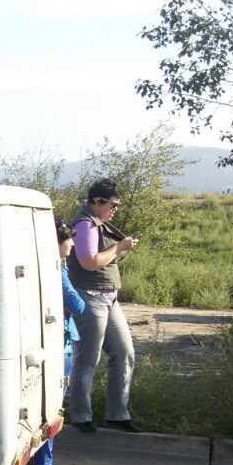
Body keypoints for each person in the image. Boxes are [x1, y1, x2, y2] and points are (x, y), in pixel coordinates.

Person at [67, 178, 142, 434]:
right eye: (113, 204)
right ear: (97, 202)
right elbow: (89, 262)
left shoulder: (98, 223)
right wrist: (119, 247)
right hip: (90, 297)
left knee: (125, 353)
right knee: (88, 359)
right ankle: (80, 417)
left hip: (109, 298)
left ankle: (118, 415)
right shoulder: (85, 225)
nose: (115, 209)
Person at [28, 220, 86, 465]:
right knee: (53, 408)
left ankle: (34, 457)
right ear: (57, 242)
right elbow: (78, 304)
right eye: (69, 239)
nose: (73, 244)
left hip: (39, 342)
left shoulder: (34, 266)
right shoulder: (57, 271)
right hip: (58, 346)